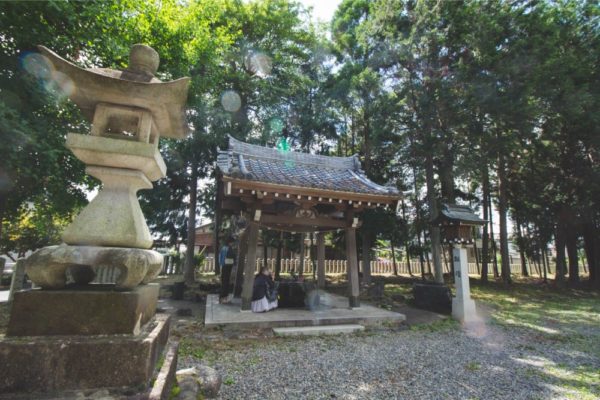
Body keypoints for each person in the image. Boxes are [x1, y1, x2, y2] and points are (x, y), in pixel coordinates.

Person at [219, 237, 235, 303]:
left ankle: (223, 298)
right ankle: (223, 298)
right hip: (227, 266)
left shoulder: (223, 248)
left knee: (224, 282)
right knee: (226, 282)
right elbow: (232, 257)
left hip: (224, 266)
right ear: (230, 242)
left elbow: (220, 257)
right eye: (232, 242)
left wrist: (221, 265)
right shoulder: (229, 248)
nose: (232, 243)